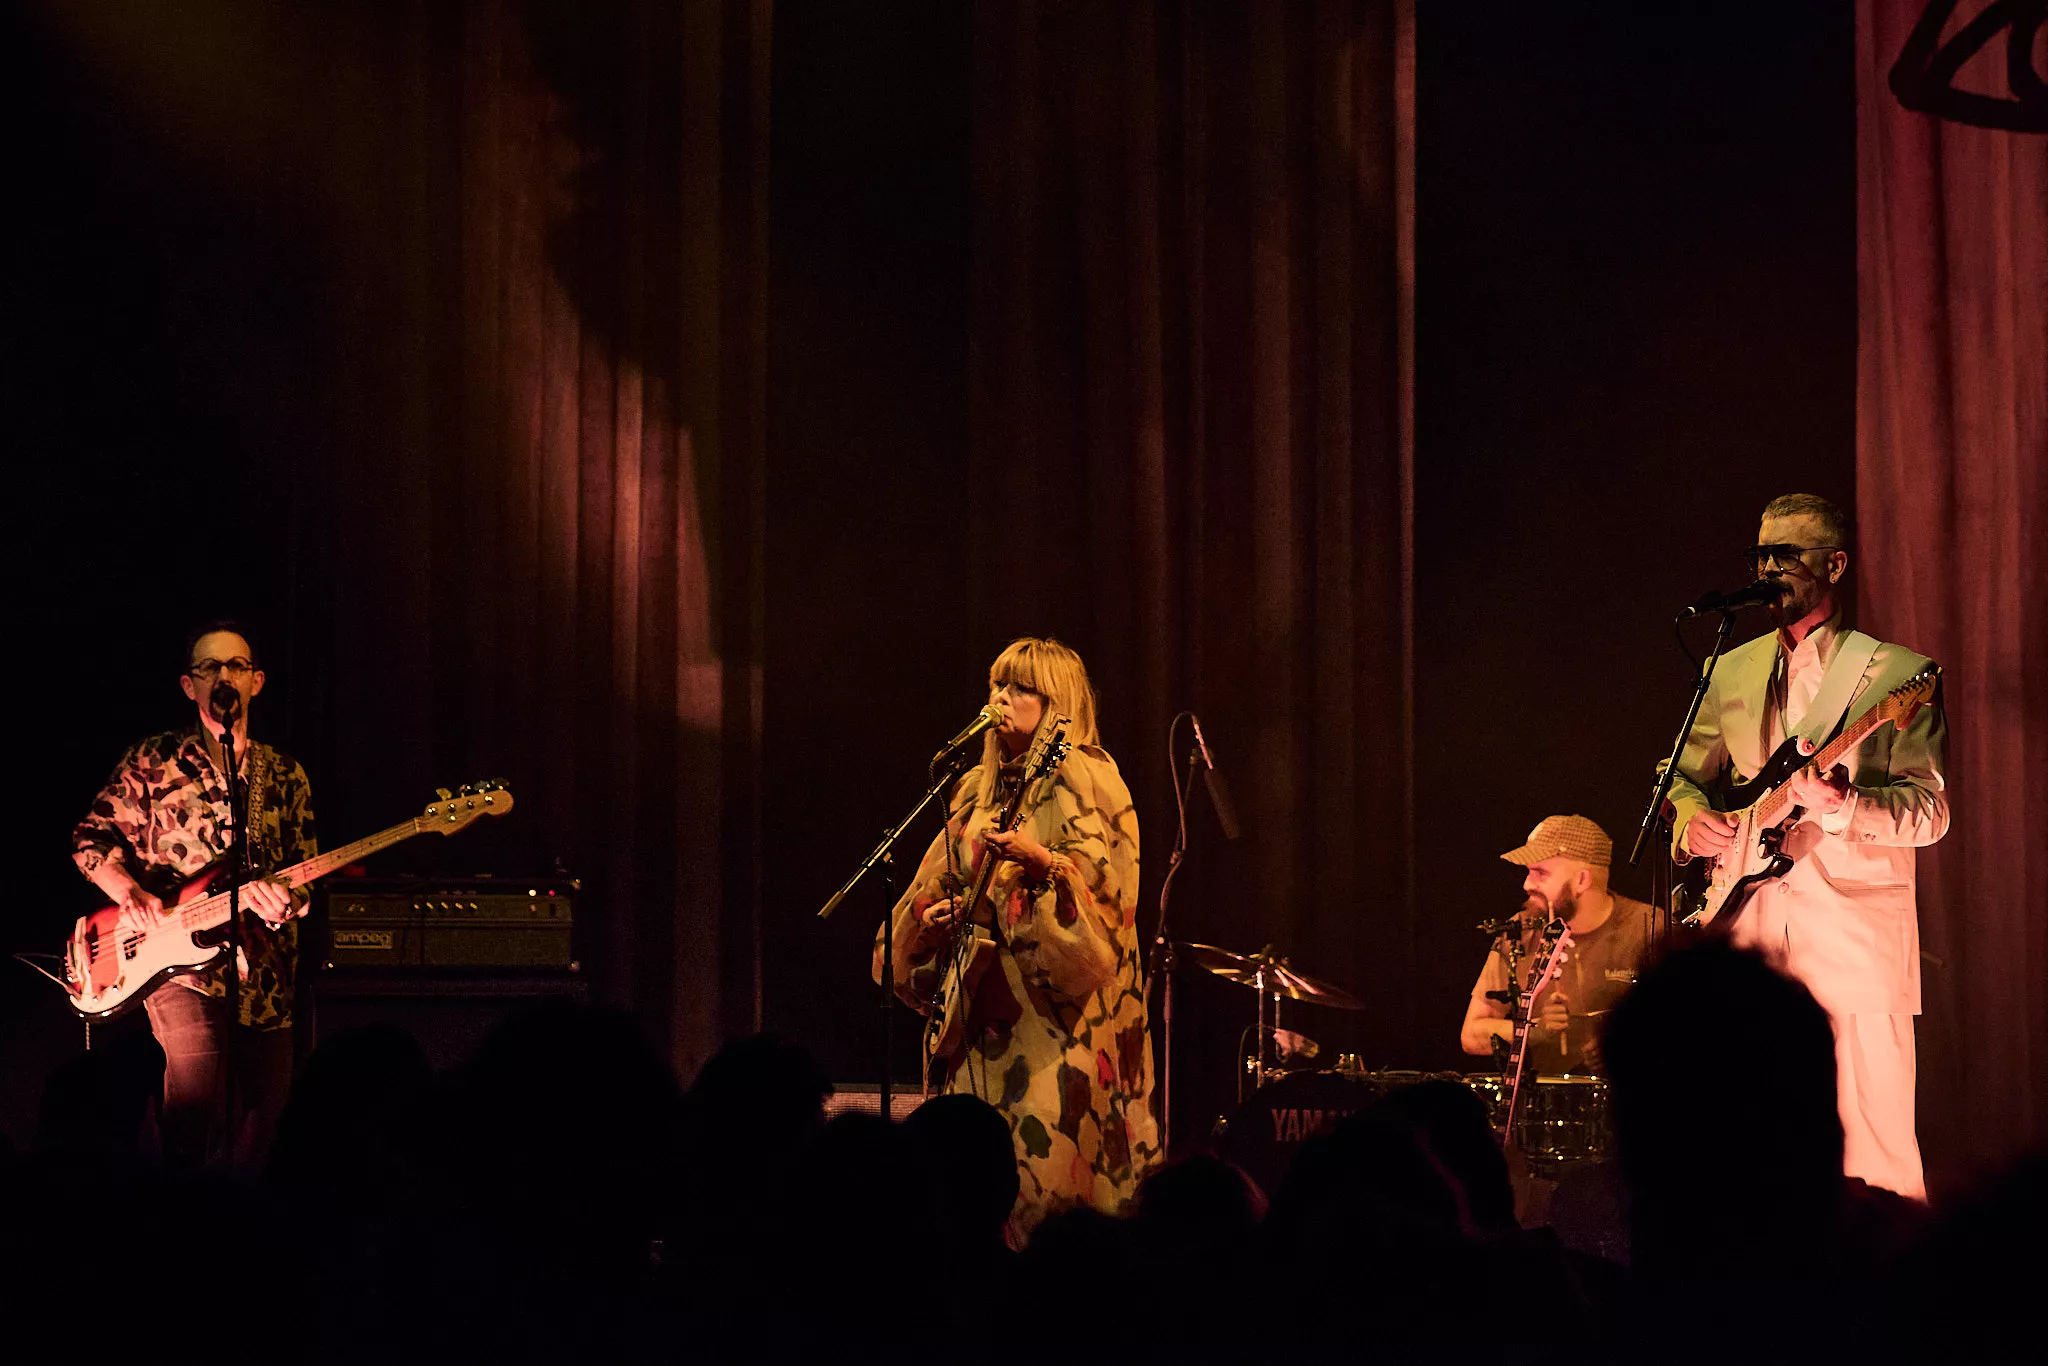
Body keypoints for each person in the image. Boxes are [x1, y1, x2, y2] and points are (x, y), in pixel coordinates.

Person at [1666, 493, 1947, 1199]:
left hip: (1856, 941)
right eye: (1760, 555)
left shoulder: (1897, 673)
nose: (1768, 570)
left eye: (1785, 555)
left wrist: (1845, 807)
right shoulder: (1729, 669)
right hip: (1748, 933)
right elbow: (1679, 777)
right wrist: (1689, 821)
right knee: (1748, 1149)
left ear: (1835, 565)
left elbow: (1930, 812)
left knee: (1873, 1155)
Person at [875, 637, 1157, 1235]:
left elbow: (1108, 902)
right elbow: (944, 878)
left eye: (1020, 687)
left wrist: (1042, 864)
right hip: (979, 1020)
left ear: (1057, 702)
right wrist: (938, 915)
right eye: (997, 684)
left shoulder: (1087, 775)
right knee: (966, 1189)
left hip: (1054, 1025)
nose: (1001, 697)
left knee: (1042, 1183)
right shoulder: (977, 788)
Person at [72, 621, 315, 1168]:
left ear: (256, 681)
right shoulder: (152, 761)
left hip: (265, 977)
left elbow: (304, 878)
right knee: (196, 1115)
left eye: (236, 666)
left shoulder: (287, 775)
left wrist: (289, 903)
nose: (223, 676)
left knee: (269, 1127)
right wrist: (129, 892)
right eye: (210, 667)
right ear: (189, 685)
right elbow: (90, 839)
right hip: (178, 969)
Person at [1461, 814, 1653, 1078]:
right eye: (1529, 872)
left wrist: (1624, 1043)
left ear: (1582, 880)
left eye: (1540, 873)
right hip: (1541, 1100)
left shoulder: (1649, 928)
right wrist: (1532, 1030)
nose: (1527, 884)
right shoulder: (1519, 931)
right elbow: (1472, 1034)